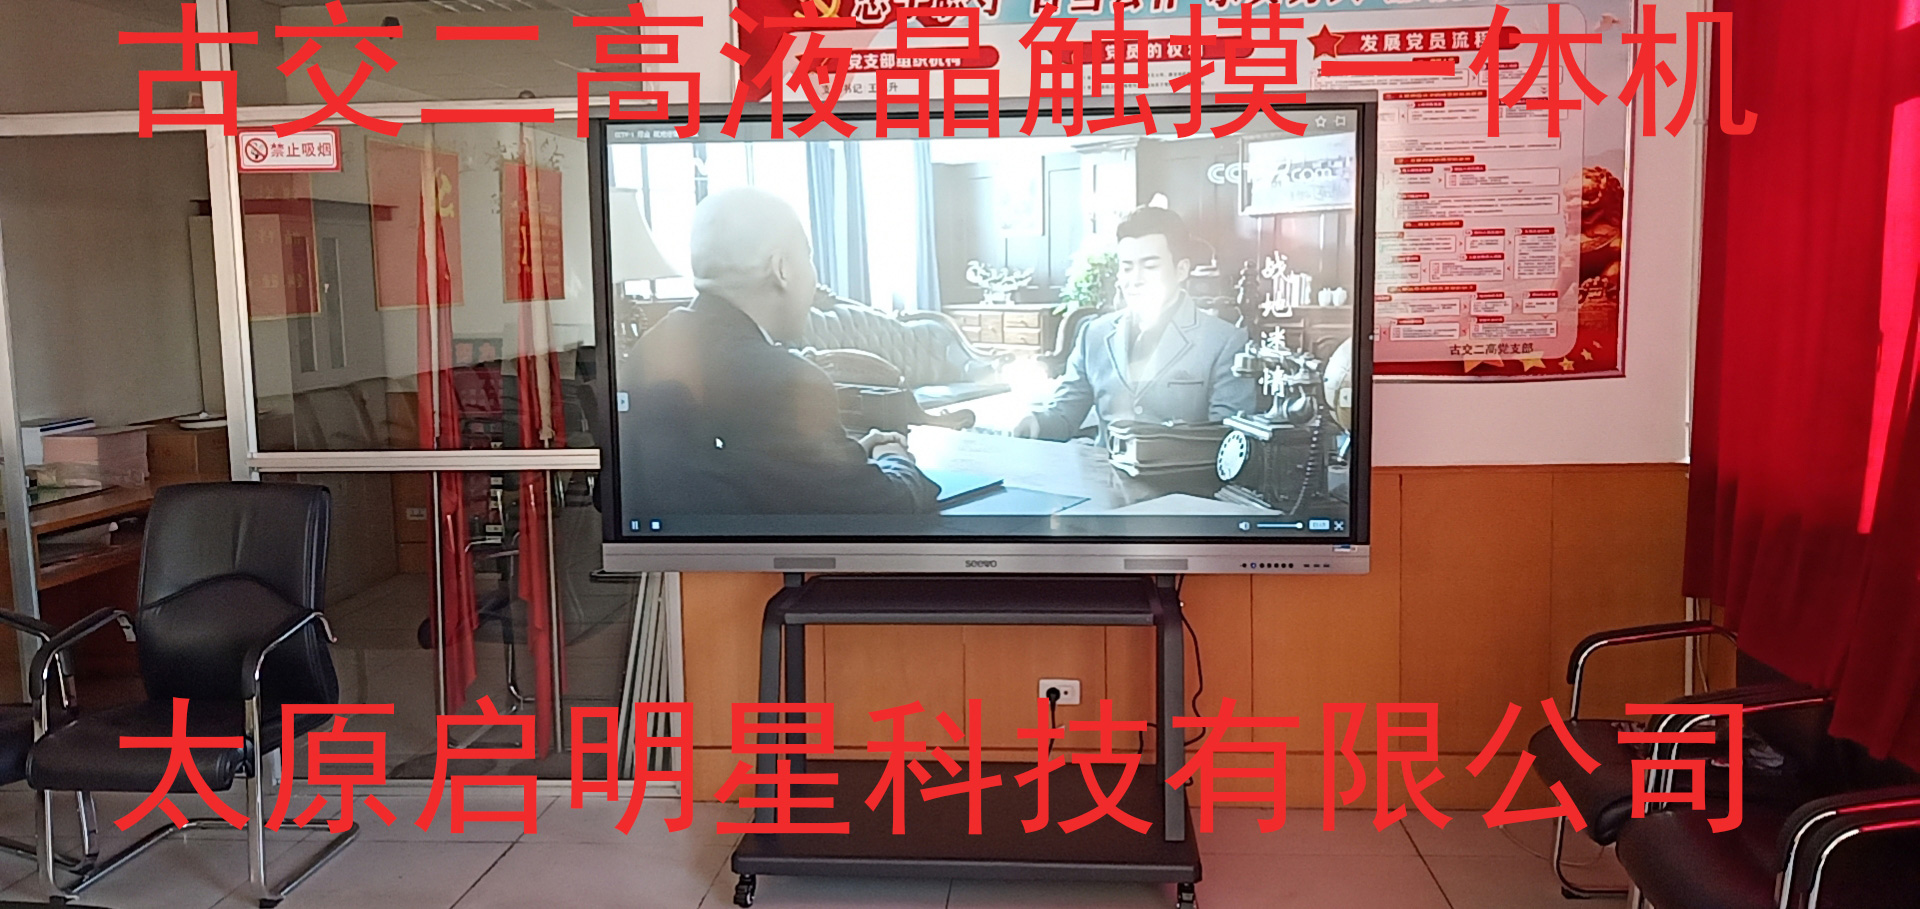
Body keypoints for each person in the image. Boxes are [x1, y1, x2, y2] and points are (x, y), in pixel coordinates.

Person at [624, 187, 939, 514]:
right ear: (782, 268)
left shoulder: (651, 348)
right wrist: (894, 457)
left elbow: (735, 472)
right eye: (808, 257)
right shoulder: (783, 379)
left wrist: (845, 457)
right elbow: (886, 507)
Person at [1016, 206, 1256, 441]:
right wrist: (1038, 424)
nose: (1135, 280)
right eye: (1127, 267)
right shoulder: (1094, 334)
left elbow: (1226, 437)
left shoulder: (1224, 341)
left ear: (1181, 270)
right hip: (1101, 467)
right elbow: (1064, 414)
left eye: (1150, 266)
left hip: (1183, 468)